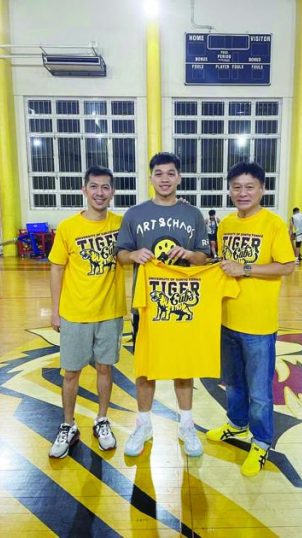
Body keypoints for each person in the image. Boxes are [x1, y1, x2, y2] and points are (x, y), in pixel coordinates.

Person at [116, 152, 211, 458]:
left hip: (183, 303)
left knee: (183, 366)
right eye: (159, 173)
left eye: (171, 173)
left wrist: (189, 255)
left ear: (179, 178)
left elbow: (204, 257)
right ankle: (143, 424)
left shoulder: (194, 214)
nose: (165, 178)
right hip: (146, 306)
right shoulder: (134, 214)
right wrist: (134, 256)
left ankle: (186, 424)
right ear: (151, 177)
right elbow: (120, 254)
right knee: (146, 367)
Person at [206, 161, 296, 476]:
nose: (242, 193)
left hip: (259, 326)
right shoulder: (226, 225)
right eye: (237, 187)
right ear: (229, 190)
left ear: (262, 189)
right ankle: (237, 424)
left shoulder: (272, 224)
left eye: (249, 187)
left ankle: (261, 442)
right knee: (233, 384)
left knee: (259, 391)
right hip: (228, 319)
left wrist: (245, 269)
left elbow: (287, 266)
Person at [46, 166, 126, 459]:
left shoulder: (122, 223)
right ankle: (68, 425)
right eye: (94, 187)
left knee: (105, 368)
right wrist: (55, 311)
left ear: (112, 192)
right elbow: (57, 268)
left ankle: (102, 420)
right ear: (84, 190)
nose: (100, 193)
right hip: (75, 313)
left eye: (105, 187)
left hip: (110, 312)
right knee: (71, 373)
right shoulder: (68, 227)